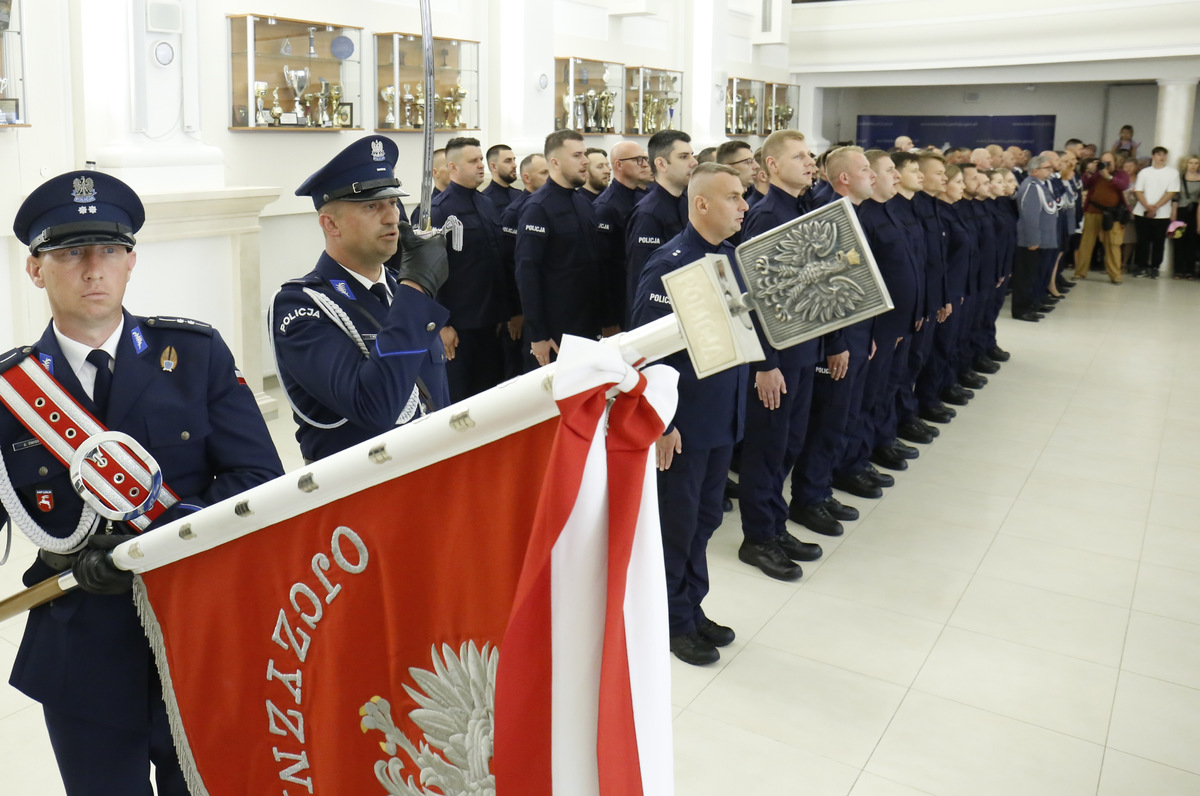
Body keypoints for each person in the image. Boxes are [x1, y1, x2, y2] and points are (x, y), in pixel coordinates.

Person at [2, 170, 284, 794]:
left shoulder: (196, 354)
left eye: (108, 251)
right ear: (35, 269)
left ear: (131, 262)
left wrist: (150, 542)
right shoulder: (10, 393)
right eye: (70, 253)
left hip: (196, 628)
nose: (92, 269)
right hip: (80, 642)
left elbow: (260, 479)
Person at [631, 162, 748, 666]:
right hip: (684, 425)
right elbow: (646, 351)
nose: (745, 206)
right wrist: (661, 423)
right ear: (702, 204)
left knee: (703, 523)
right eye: (734, 197)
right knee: (676, 528)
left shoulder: (726, 258)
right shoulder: (670, 263)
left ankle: (691, 607)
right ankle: (671, 622)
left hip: (719, 416)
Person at [272, 136, 451, 462]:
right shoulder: (302, 306)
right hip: (362, 495)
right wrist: (417, 287)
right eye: (372, 206)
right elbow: (375, 406)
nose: (391, 217)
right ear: (330, 223)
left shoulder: (399, 290)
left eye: (393, 203)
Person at [734, 130, 826, 580]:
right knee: (767, 447)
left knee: (789, 442)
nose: (810, 163)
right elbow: (757, 298)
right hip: (777, 355)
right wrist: (765, 363)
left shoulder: (804, 207)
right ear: (771, 166)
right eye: (798, 156)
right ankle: (758, 538)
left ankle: (775, 523)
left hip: (803, 347)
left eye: (810, 156)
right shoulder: (767, 215)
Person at [515, 129, 607, 369]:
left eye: (585, 154)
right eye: (577, 155)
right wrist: (538, 335)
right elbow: (527, 274)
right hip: (556, 333)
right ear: (554, 162)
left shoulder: (583, 203)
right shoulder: (538, 207)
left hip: (587, 325)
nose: (585, 161)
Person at [430, 136, 508, 401]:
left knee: (489, 397)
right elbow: (431, 272)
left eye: (481, 160)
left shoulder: (487, 204)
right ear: (453, 167)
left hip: (491, 322)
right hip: (459, 327)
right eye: (473, 161)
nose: (480, 166)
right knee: (460, 401)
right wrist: (443, 324)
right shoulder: (438, 211)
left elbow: (496, 261)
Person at [625, 129, 695, 308]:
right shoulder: (648, 213)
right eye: (684, 157)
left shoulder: (688, 202)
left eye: (692, 155)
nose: (694, 163)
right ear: (661, 164)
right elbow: (641, 278)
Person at [593, 140, 651, 327]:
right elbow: (603, 269)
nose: (644, 164)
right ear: (618, 165)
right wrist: (608, 320)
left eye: (645, 159)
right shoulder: (606, 207)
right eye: (637, 160)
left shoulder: (644, 198)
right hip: (619, 299)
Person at [1012, 154, 1059, 321]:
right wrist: (1033, 239)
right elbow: (1030, 216)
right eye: (1047, 168)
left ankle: (1032, 303)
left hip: (1041, 240)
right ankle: (1021, 309)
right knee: (1026, 276)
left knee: (1034, 275)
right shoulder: (1032, 186)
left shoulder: (1040, 184)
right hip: (1030, 241)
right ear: (1035, 171)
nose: (1051, 171)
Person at [1073, 151, 1131, 284]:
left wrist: (1109, 177)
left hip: (1112, 214)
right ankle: (1080, 272)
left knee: (1113, 245)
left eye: (1108, 162)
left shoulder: (1121, 174)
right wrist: (1090, 172)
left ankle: (1115, 275)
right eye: (1103, 162)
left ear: (1115, 162)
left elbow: (1123, 185)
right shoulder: (1096, 175)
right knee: (1086, 245)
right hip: (1092, 212)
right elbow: (1084, 184)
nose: (1106, 165)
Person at [1132, 146, 1180, 278]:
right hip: (1142, 211)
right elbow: (1139, 191)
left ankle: (1155, 267)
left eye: (1164, 155)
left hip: (1162, 213)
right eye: (1159, 154)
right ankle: (1141, 266)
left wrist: (1156, 207)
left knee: (1158, 242)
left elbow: (1171, 192)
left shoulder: (1172, 173)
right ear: (1153, 156)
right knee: (1143, 241)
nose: (1162, 157)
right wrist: (1147, 206)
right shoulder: (1145, 172)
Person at [1172, 154, 1200, 280]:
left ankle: (1189, 270)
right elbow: (1175, 198)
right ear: (1186, 164)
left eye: (1196, 163)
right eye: (1191, 163)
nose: (1193, 166)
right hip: (1181, 212)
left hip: (1195, 212)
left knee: (1192, 242)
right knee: (1179, 240)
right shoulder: (1179, 178)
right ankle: (1178, 270)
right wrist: (1173, 214)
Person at [481, 143, 521, 211]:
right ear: (494, 166)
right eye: (508, 161)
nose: (514, 165)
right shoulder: (485, 200)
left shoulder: (519, 194)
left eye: (514, 160)